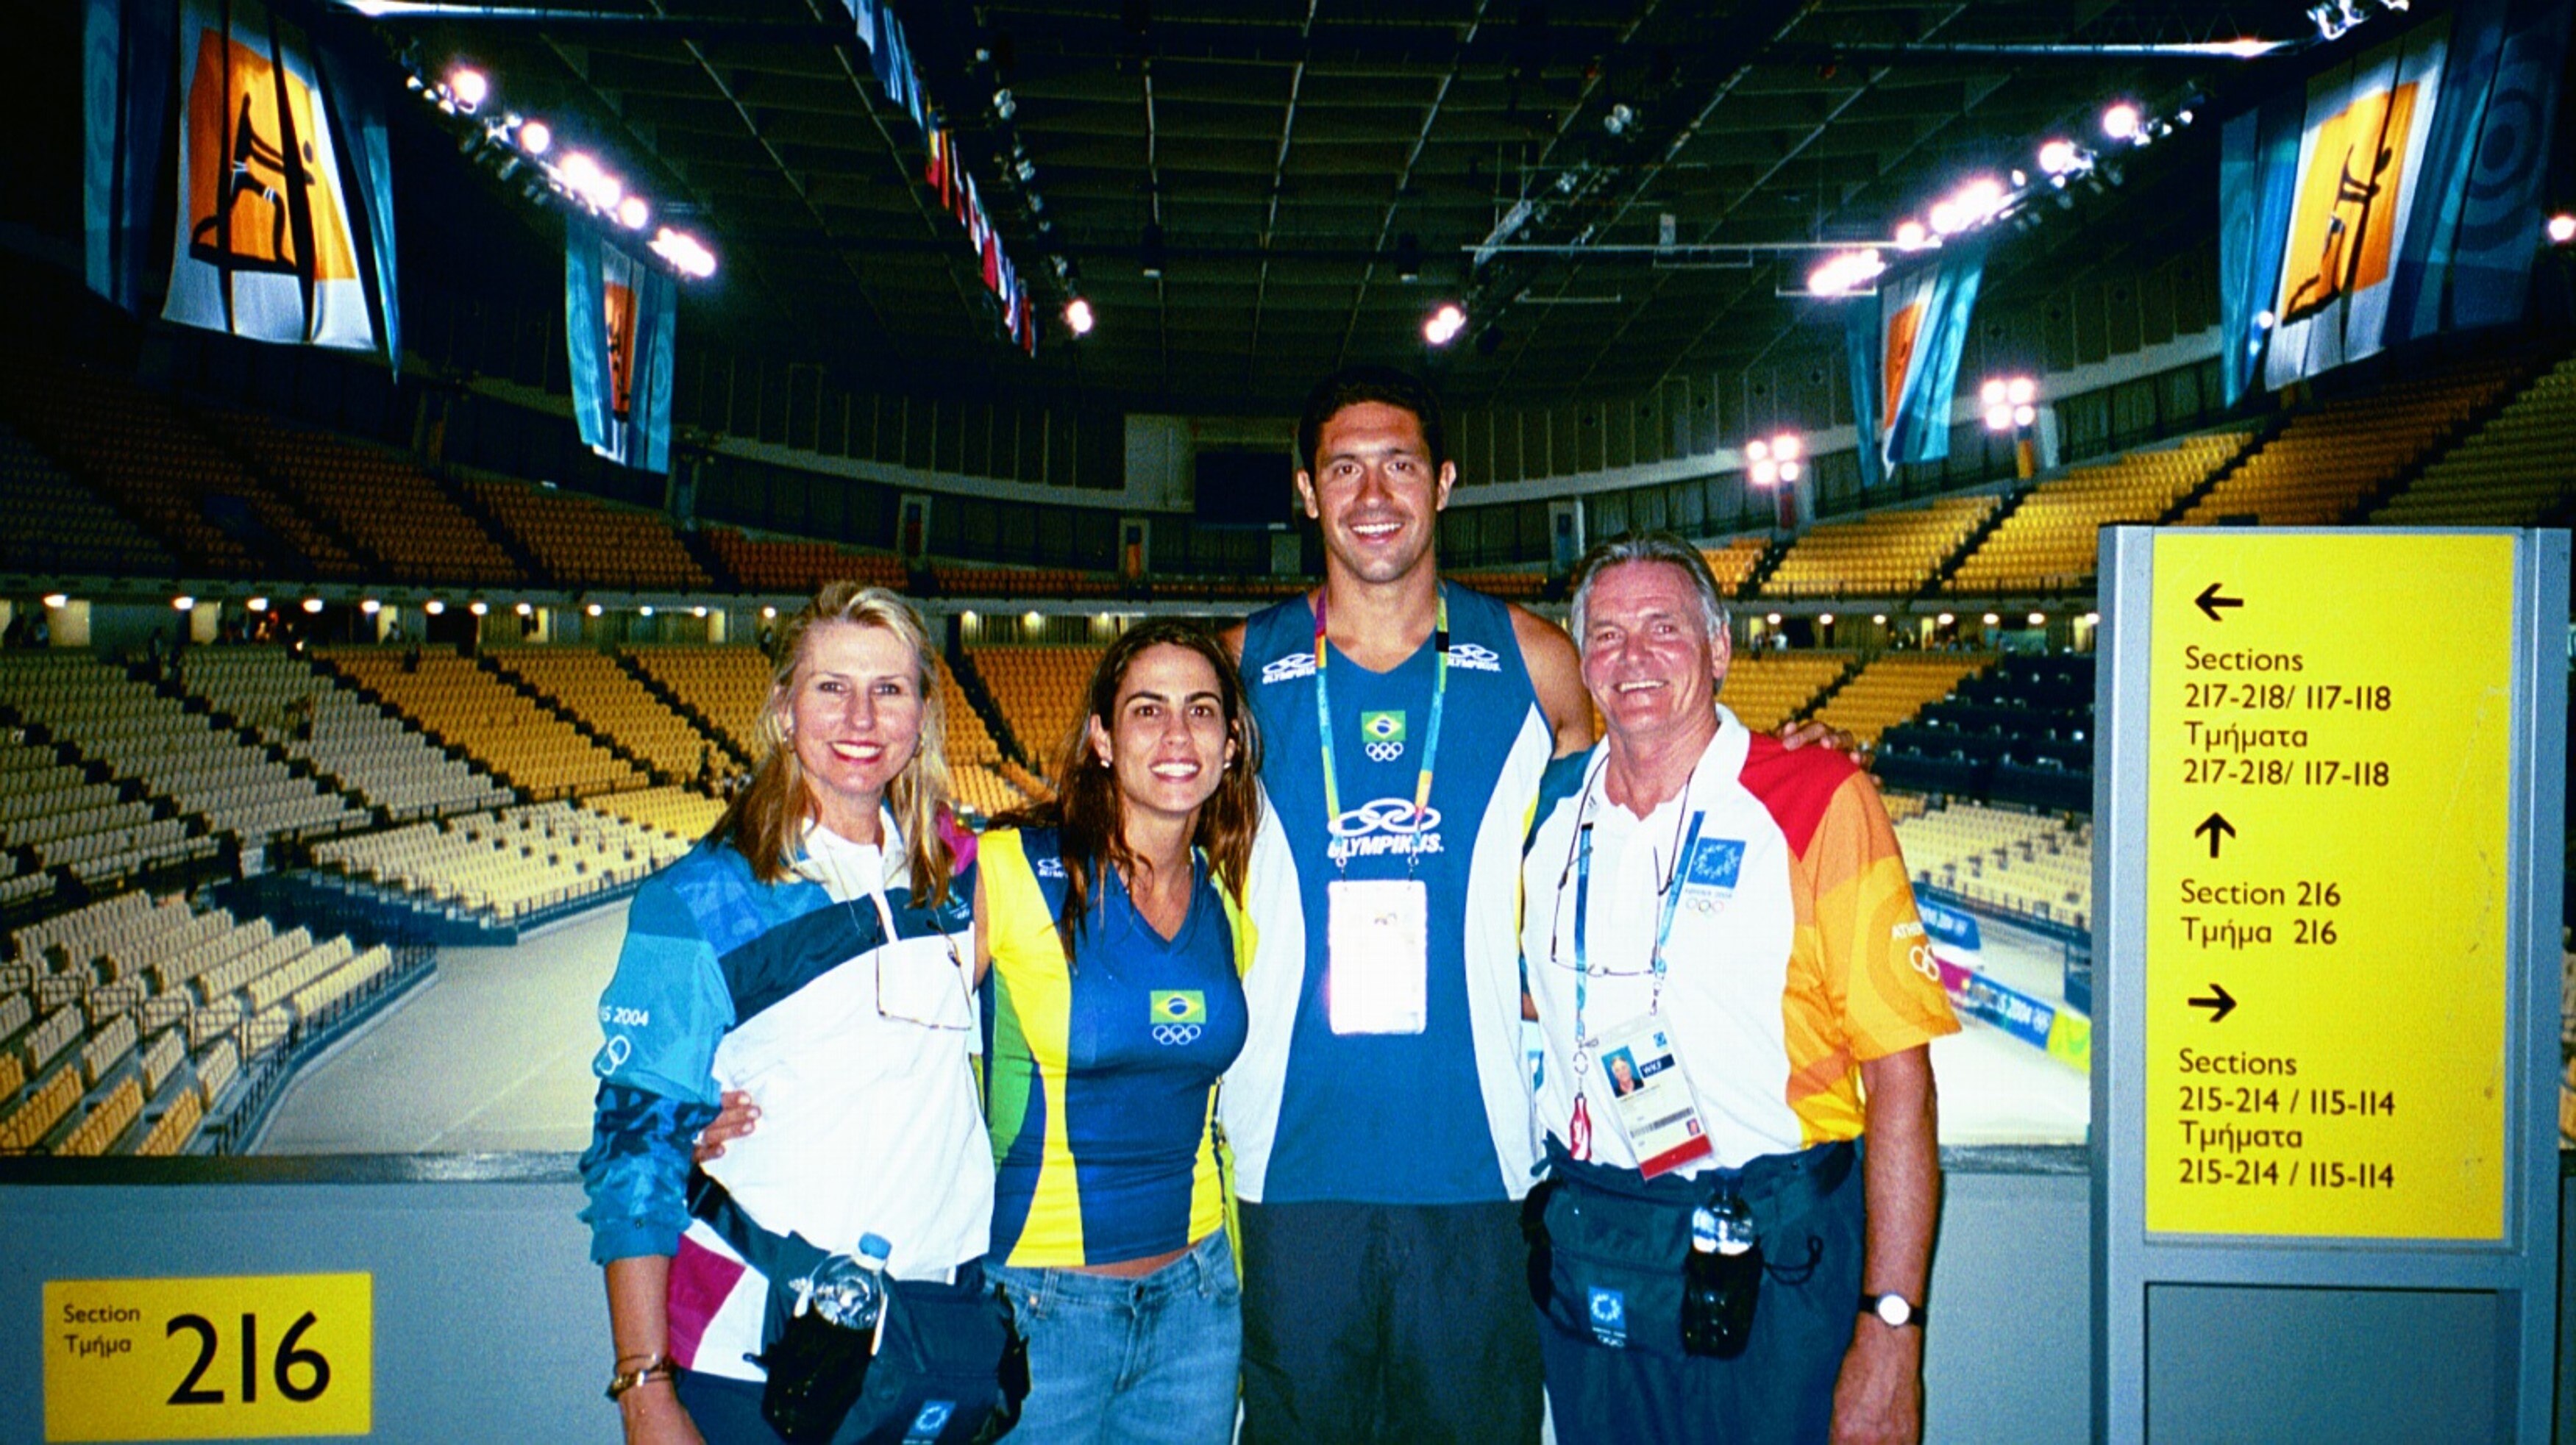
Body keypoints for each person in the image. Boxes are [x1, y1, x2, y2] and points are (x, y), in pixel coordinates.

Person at [1217, 365, 1593, 1444]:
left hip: (1476, 1162)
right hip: (1289, 1161)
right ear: (1305, 493)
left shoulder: (1536, 663)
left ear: (1444, 482)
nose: (1373, 495)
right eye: (1343, 469)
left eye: (1398, 465)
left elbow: (1634, 809)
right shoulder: (1238, 670)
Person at [1520, 535, 1957, 1445]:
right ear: (1583, 662)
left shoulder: (1817, 797)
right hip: (1596, 1252)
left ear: (1718, 648)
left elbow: (1901, 1084)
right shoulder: (1545, 810)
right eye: (1606, 635)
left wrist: (1892, 1327)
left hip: (1774, 1259)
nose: (1632, 657)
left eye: (1663, 628)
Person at [577, 582, 988, 1444]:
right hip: (753, 1352)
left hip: (933, 1334)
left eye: (889, 689)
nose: (861, 719)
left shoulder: (961, 874)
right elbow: (632, 1155)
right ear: (782, 708)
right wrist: (644, 1387)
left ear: (922, 716)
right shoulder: (698, 899)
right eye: (830, 687)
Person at [976, 619, 1264, 1443]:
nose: (1176, 734)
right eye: (1147, 710)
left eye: (1201, 710)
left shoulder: (1228, 898)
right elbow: (878, 1013)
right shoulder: (1008, 870)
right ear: (1103, 738)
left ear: (1231, 745)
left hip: (1198, 1307)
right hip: (1038, 1308)